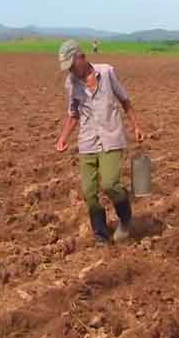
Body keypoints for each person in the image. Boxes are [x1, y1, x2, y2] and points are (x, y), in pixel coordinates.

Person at [55, 40, 145, 243]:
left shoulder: (106, 72)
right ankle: (101, 235)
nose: (70, 70)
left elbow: (125, 100)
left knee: (110, 183)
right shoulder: (71, 83)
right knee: (89, 192)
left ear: (81, 57)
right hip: (87, 141)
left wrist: (136, 126)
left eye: (71, 64)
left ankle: (125, 217)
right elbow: (73, 113)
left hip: (111, 137)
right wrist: (63, 138)